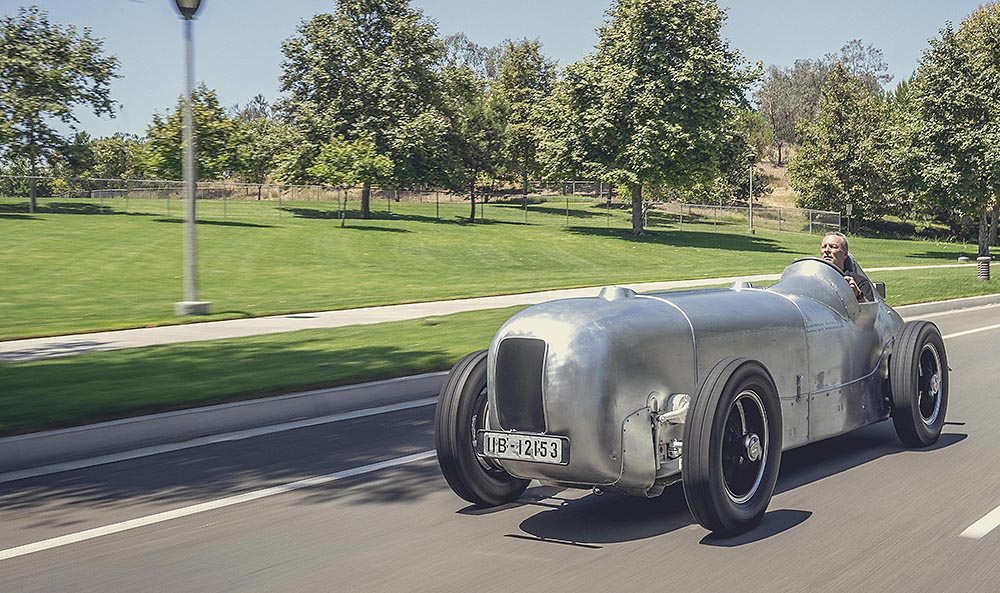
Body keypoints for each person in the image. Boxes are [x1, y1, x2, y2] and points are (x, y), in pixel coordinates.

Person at [820, 231, 874, 302]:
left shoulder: (859, 282)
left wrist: (857, 294)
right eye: (824, 247)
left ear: (845, 254)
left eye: (833, 247)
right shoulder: (814, 278)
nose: (827, 250)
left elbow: (870, 308)